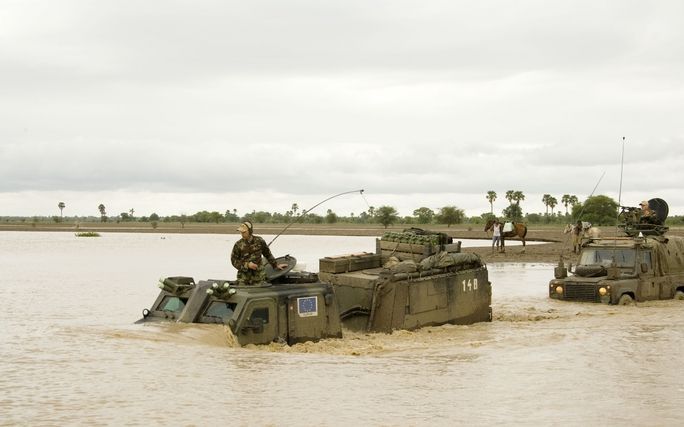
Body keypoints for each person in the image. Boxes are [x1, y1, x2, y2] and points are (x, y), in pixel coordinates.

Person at [231, 221, 288, 286]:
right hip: (244, 279)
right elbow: (234, 260)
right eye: (241, 232)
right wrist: (247, 265)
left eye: (244, 232)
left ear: (250, 231)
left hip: (259, 278)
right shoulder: (238, 245)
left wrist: (275, 265)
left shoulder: (259, 241)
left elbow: (267, 254)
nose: (242, 234)